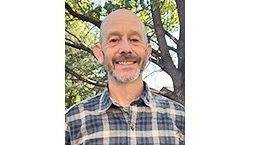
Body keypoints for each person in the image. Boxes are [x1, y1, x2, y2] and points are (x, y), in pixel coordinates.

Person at [65, 9, 185, 145]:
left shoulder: (180, 118)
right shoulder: (71, 122)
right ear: (99, 54)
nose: (125, 49)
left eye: (134, 40)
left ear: (148, 53)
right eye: (114, 40)